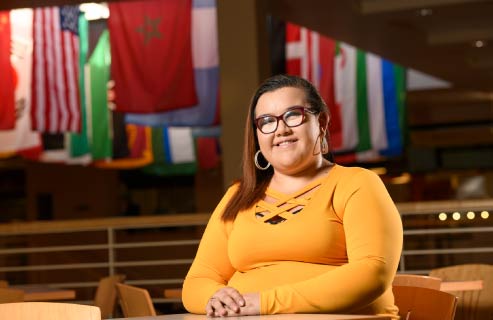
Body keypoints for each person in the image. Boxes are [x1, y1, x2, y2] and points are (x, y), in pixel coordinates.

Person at [182, 74, 403, 318]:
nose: (281, 130)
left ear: (321, 122)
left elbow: (373, 272)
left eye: (293, 115)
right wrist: (215, 297)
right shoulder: (238, 195)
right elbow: (198, 280)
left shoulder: (357, 184)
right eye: (266, 121)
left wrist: (266, 302)